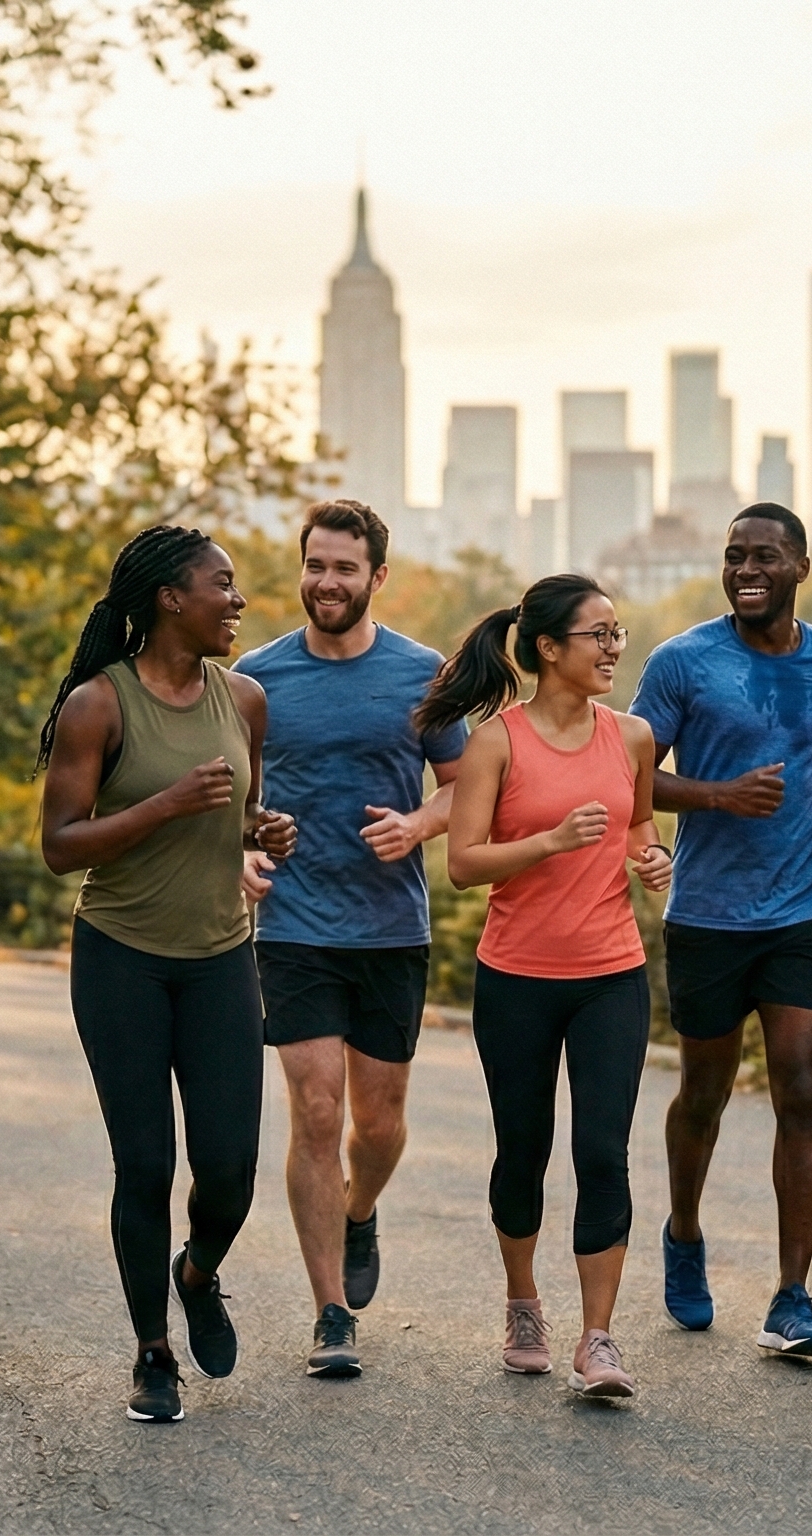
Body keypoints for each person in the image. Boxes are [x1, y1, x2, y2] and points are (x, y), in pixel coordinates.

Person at [36, 523, 299, 1425]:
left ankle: (199, 1271)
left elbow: (242, 810)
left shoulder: (248, 700)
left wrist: (265, 830)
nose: (239, 601)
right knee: (144, 1165)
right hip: (122, 961)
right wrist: (167, 802)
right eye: (222, 585)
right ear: (170, 599)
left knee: (229, 1167)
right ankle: (152, 1349)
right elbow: (59, 847)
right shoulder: (96, 707)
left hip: (223, 957)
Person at [414, 574, 673, 1401]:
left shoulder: (632, 736)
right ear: (549, 648)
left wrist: (649, 857)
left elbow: (636, 824)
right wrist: (552, 841)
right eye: (596, 634)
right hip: (517, 975)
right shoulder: (497, 741)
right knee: (522, 1152)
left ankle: (597, 1339)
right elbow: (462, 864)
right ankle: (524, 1305)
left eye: (616, 631)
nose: (612, 647)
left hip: (610, 975)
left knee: (603, 1153)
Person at [629, 503, 812, 1356]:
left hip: (805, 909)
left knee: (802, 1085)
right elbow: (629, 776)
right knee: (704, 1091)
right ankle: (684, 1234)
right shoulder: (683, 662)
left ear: (801, 565)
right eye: (734, 557)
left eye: (764, 556)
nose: (745, 570)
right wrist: (718, 796)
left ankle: (792, 1295)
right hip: (709, 913)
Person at [234, 500, 467, 1379]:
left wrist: (417, 826)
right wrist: (245, 857)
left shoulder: (421, 674)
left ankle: (360, 1207)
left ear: (377, 578)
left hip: (389, 929)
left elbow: (462, 787)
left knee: (380, 1123)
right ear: (301, 570)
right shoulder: (256, 681)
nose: (327, 582)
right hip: (294, 926)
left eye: (345, 568)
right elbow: (233, 804)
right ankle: (331, 1312)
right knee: (316, 1111)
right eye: (316, 565)